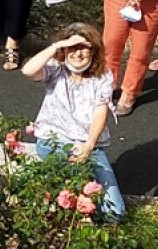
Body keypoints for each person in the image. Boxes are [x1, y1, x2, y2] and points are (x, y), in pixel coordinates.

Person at [20, 24, 125, 218]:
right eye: (73, 47)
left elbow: (101, 111)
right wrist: (57, 45)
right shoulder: (55, 69)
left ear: (94, 50)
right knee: (75, 193)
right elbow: (28, 71)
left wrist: (89, 144)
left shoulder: (103, 75)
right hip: (54, 142)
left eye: (84, 47)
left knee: (114, 212)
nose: (78, 53)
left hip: (88, 145)